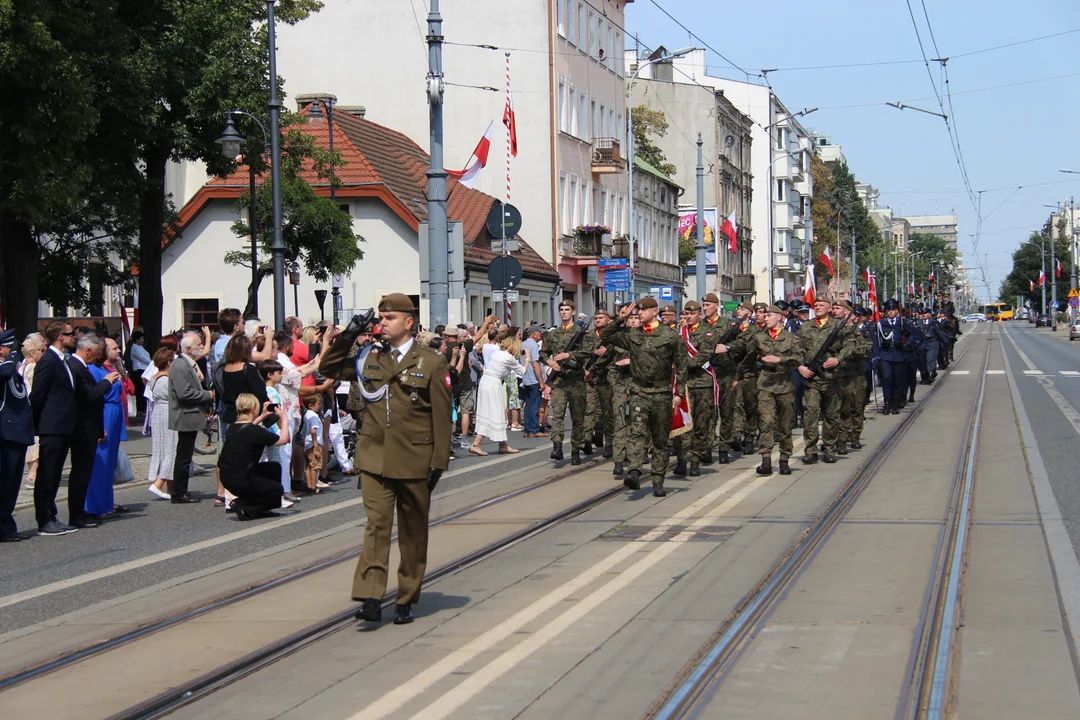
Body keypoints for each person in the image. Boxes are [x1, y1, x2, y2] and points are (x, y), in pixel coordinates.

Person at [319, 294, 452, 626]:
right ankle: (372, 596)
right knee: (376, 526)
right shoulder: (369, 357)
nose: (382, 322)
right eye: (380, 317)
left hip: (414, 458)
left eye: (389, 317)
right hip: (374, 456)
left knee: (412, 532)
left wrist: (438, 463)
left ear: (408, 322)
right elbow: (328, 368)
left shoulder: (431, 362)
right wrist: (347, 336)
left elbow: (441, 417)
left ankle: (406, 596)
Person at [606, 297, 688, 496]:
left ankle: (658, 479)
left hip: (661, 393)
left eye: (643, 311)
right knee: (637, 432)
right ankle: (634, 470)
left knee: (660, 439)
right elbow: (607, 336)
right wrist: (619, 318)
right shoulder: (633, 334)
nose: (639, 314)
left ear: (654, 311)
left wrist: (679, 393)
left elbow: (682, 364)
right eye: (638, 311)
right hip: (639, 391)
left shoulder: (670, 335)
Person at [717, 306, 802, 476]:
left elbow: (799, 358)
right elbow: (746, 354)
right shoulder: (758, 337)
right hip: (765, 385)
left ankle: (784, 460)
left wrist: (780, 359)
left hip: (784, 385)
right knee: (766, 421)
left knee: (785, 425)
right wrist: (736, 373)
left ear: (779, 317)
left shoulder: (791, 338)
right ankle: (766, 460)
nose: (765, 317)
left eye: (769, 315)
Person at [31, 320, 80, 535]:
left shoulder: (62, 360)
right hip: (52, 426)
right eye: (70, 334)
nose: (74, 337)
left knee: (55, 473)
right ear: (60, 336)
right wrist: (36, 425)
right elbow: (37, 395)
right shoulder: (49, 361)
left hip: (63, 425)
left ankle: (52, 515)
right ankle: (44, 519)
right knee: (47, 474)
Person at [67, 333, 121, 528]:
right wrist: (106, 382)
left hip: (90, 424)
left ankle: (81, 512)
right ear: (88, 350)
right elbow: (89, 395)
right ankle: (78, 514)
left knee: (85, 472)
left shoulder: (82, 367)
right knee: (81, 473)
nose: (97, 357)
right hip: (82, 427)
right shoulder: (76, 367)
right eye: (96, 353)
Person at [218, 394, 293, 520]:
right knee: (277, 489)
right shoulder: (256, 432)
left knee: (273, 468)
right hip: (241, 480)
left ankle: (259, 509)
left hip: (227, 477)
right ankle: (243, 505)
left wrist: (263, 416)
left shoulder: (233, 427)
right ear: (254, 408)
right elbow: (284, 439)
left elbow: (249, 427)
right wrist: (284, 419)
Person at [797, 297, 850, 465]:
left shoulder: (838, 326)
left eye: (822, 305)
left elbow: (850, 345)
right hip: (812, 379)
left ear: (829, 308)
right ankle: (810, 450)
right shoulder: (806, 327)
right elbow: (796, 349)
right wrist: (800, 366)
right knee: (810, 414)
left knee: (831, 415)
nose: (818, 308)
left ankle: (829, 449)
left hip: (832, 378)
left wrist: (838, 359)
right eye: (816, 305)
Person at [86, 337, 133, 518]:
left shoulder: (111, 368)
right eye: (114, 348)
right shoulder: (94, 370)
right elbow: (95, 397)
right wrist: (100, 425)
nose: (118, 351)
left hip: (114, 413)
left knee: (109, 464)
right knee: (100, 463)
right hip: (105, 413)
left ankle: (106, 503)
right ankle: (94, 506)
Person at [541, 301, 591, 465]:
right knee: (557, 415)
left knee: (578, 417)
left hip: (576, 381)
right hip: (559, 382)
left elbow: (587, 352)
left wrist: (568, 356)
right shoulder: (553, 334)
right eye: (561, 310)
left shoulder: (581, 332)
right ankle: (557, 447)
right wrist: (550, 362)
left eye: (567, 310)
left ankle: (576, 450)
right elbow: (543, 353)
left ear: (573, 312)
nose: (564, 313)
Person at [169, 331, 214, 504]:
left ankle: (181, 490)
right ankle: (179, 492)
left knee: (186, 455)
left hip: (190, 414)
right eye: (198, 345)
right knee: (183, 455)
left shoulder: (188, 363)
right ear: (188, 348)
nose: (201, 347)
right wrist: (207, 395)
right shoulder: (180, 365)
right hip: (185, 415)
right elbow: (184, 392)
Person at [0, 329, 35, 542]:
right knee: (5, 482)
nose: (13, 351)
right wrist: (14, 355)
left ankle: (6, 522)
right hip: (6, 433)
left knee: (12, 482)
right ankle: (2, 525)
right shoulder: (5, 367)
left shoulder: (12, 369)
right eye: (9, 347)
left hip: (18, 432)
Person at [471, 335, 528, 455]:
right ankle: (476, 444)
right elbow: (522, 371)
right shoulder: (509, 358)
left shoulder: (498, 353)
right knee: (494, 413)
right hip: (493, 383)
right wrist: (527, 359)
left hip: (485, 381)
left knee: (489, 412)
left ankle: (503, 444)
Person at [146, 348, 176, 500]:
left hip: (157, 412)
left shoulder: (154, 377)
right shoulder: (165, 379)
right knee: (171, 447)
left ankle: (171, 487)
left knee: (163, 448)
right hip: (167, 413)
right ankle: (159, 483)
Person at [18, 333, 45, 489]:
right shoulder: (33, 367)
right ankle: (33, 474)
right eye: (41, 350)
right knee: (36, 442)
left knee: (32, 442)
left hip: (25, 406)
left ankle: (32, 472)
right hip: (32, 406)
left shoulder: (22, 365)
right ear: (34, 353)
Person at [520, 324, 547, 438]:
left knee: (528, 405)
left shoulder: (524, 343)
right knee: (535, 405)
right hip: (533, 378)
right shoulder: (533, 344)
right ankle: (534, 430)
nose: (541, 335)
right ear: (534, 334)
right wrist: (541, 380)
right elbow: (536, 363)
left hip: (525, 377)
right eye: (539, 333)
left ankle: (527, 429)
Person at [301, 394, 325, 493]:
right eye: (318, 404)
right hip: (314, 443)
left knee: (309, 466)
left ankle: (309, 486)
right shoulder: (314, 416)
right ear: (311, 405)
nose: (320, 406)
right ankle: (314, 486)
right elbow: (313, 431)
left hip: (306, 443)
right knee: (315, 466)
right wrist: (316, 446)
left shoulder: (307, 414)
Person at [127, 330, 152, 416]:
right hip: (139, 370)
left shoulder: (140, 347)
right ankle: (140, 408)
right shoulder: (135, 348)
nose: (143, 340)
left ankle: (143, 407)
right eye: (141, 338)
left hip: (144, 369)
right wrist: (153, 363)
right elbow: (143, 359)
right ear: (137, 339)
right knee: (140, 389)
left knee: (143, 389)